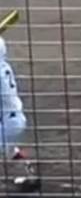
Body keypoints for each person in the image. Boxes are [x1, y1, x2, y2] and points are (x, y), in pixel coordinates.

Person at [0, 11, 39, 192]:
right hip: (12, 121)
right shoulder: (3, 66)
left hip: (9, 122)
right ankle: (29, 174)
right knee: (8, 149)